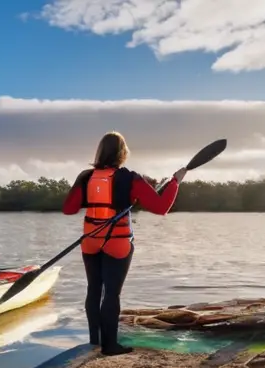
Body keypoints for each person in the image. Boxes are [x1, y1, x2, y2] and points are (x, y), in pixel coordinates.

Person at [62, 131, 186, 356]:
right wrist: (175, 182)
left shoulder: (86, 176)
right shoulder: (130, 178)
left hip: (90, 241)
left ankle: (94, 341)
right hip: (117, 244)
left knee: (93, 289)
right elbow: (161, 208)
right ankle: (110, 347)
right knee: (111, 294)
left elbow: (68, 209)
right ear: (122, 153)